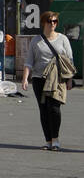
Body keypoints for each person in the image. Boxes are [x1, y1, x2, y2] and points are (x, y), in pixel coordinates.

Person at [21, 11, 75, 150]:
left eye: (55, 21)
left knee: (54, 109)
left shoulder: (63, 39)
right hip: (39, 78)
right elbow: (29, 61)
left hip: (57, 79)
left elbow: (69, 60)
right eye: (50, 21)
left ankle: (55, 139)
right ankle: (48, 141)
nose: (53, 24)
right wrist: (25, 78)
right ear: (43, 22)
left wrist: (69, 80)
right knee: (43, 110)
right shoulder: (36, 40)